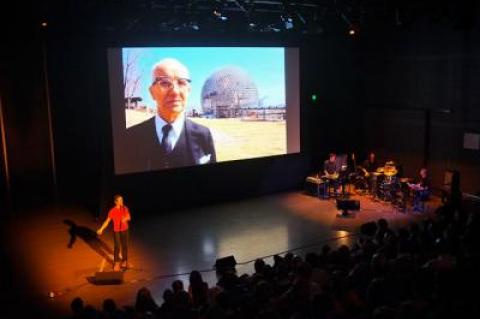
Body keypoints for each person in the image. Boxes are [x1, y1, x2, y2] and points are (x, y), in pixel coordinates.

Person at [125, 58, 216, 171]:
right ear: (152, 92)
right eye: (165, 83)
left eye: (181, 82)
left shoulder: (204, 135)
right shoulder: (130, 138)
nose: (175, 91)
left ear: (188, 90)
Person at [97, 194, 131, 271]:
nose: (122, 201)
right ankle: (116, 263)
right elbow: (107, 221)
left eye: (122, 200)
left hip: (125, 230)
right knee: (117, 247)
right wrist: (101, 229)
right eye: (120, 200)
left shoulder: (125, 208)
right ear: (116, 202)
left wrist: (125, 219)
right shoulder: (112, 211)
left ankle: (124, 261)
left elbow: (129, 217)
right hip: (117, 231)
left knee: (125, 246)